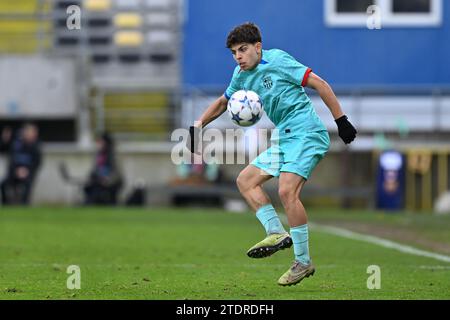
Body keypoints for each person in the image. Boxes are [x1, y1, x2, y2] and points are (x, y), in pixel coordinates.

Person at [187, 22, 357, 286]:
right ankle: (276, 232)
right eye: (234, 52)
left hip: (306, 131)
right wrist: (199, 124)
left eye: (243, 50)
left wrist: (341, 120)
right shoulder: (240, 75)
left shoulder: (278, 60)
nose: (238, 57)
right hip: (284, 137)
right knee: (245, 180)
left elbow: (319, 83)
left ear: (258, 47)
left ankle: (302, 261)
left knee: (287, 191)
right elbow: (223, 102)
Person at [0, 123, 42, 205]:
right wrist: (4, 140)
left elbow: (37, 163)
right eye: (27, 132)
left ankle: (24, 205)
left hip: (27, 174)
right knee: (3, 184)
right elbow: (4, 150)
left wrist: (27, 171)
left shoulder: (36, 147)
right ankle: (6, 205)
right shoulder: (16, 144)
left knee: (27, 184)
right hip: (13, 173)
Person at [83, 132, 123, 205]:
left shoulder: (112, 154)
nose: (98, 143)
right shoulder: (99, 154)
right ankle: (90, 203)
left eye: (100, 141)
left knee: (98, 189)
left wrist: (108, 180)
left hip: (112, 182)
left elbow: (117, 173)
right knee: (89, 187)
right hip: (100, 180)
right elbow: (95, 169)